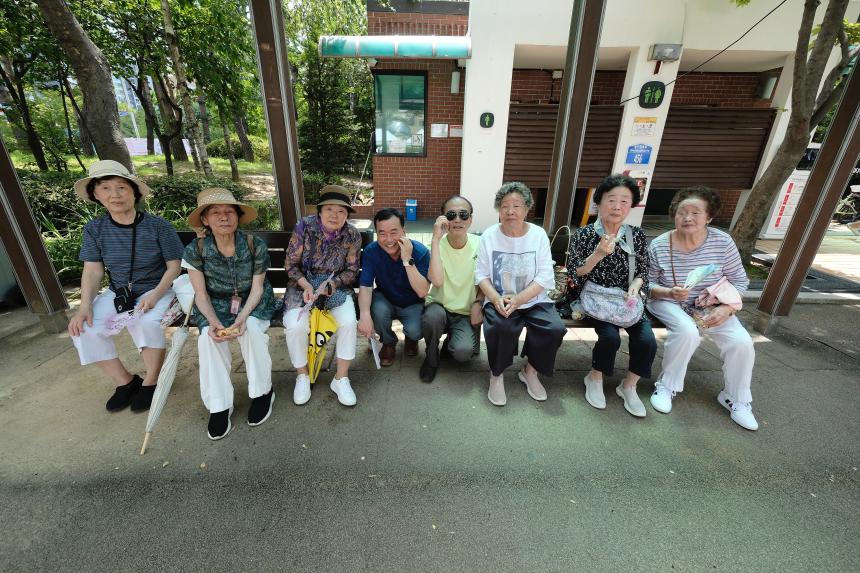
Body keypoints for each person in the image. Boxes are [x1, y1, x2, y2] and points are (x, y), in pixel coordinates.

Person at [68, 160, 183, 413]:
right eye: (106, 188)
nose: (115, 194)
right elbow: (93, 270)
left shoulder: (158, 226)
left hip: (159, 288)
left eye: (121, 187)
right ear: (96, 195)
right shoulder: (94, 229)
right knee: (84, 329)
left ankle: (151, 381)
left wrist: (155, 295)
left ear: (134, 192)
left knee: (145, 322)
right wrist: (84, 306)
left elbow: (174, 267)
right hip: (119, 292)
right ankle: (126, 382)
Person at [647, 186, 758, 430]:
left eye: (695, 213)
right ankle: (668, 386)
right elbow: (647, 284)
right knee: (687, 331)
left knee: (741, 342)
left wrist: (727, 308)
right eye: (681, 212)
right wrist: (668, 291)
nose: (687, 218)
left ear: (709, 217)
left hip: (711, 304)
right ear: (673, 215)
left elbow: (740, 280)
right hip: (668, 301)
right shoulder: (659, 245)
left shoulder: (722, 241)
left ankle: (736, 398)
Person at [183, 188, 277, 440]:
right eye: (215, 213)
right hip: (214, 303)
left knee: (253, 333)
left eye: (229, 212)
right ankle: (219, 404)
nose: (223, 217)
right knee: (207, 339)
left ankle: (262, 393)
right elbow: (200, 295)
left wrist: (242, 317)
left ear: (237, 216)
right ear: (205, 219)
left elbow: (258, 288)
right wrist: (213, 322)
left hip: (252, 301)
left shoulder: (253, 244)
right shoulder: (195, 249)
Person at [567, 174, 655, 418]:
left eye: (624, 201)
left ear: (631, 206)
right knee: (610, 337)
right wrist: (597, 254)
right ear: (600, 203)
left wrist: (636, 285)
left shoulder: (635, 235)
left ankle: (629, 386)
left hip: (627, 300)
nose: (617, 207)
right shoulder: (584, 234)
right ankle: (594, 378)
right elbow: (576, 273)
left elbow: (643, 271)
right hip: (596, 298)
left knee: (647, 340)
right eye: (611, 200)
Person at [476, 182, 566, 406]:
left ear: (527, 209)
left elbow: (546, 277)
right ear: (499, 210)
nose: (510, 211)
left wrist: (519, 299)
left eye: (516, 206)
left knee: (554, 329)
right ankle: (496, 375)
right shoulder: (489, 235)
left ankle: (530, 371)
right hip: (500, 299)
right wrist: (496, 298)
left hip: (534, 300)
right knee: (499, 327)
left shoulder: (538, 235)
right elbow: (481, 275)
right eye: (505, 206)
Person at [282, 186, 362, 406]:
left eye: (341, 211)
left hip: (334, 287)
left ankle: (341, 378)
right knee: (295, 325)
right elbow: (290, 263)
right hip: (303, 286)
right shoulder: (304, 227)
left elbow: (352, 270)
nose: (334, 215)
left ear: (347, 214)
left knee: (348, 322)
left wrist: (333, 283)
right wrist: (306, 284)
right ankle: (302, 375)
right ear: (320, 211)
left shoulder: (352, 235)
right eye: (329, 209)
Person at [420, 195, 483, 383]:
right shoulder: (437, 244)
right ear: (443, 220)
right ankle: (431, 359)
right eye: (451, 215)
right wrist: (435, 239)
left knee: (463, 353)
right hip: (439, 307)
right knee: (431, 318)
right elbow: (437, 281)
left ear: (470, 219)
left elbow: (486, 282)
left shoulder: (481, 244)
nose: (457, 219)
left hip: (465, 311)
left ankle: (450, 343)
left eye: (463, 214)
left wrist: (478, 302)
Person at [357, 208, 430, 367]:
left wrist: (407, 260)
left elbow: (423, 291)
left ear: (404, 230)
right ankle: (388, 343)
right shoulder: (371, 251)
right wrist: (364, 315)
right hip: (386, 298)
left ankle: (411, 339)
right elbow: (366, 286)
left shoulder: (420, 252)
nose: (388, 239)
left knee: (416, 330)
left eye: (394, 232)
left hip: (413, 301)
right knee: (376, 310)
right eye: (382, 233)